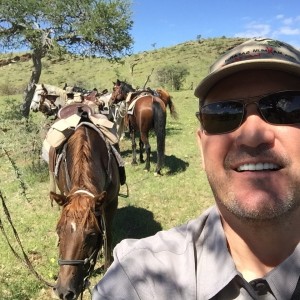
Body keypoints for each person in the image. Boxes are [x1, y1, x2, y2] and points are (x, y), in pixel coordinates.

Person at [92, 38, 300, 299]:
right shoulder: (138, 276)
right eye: (222, 114)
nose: (252, 135)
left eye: (289, 108)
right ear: (202, 149)